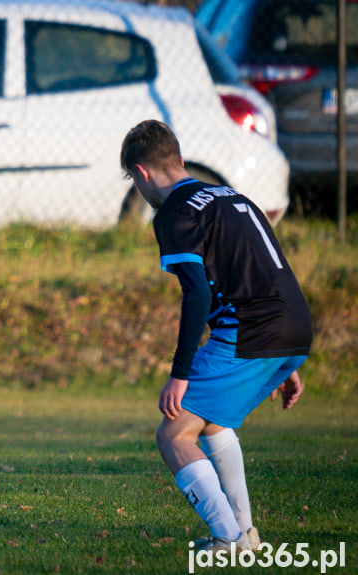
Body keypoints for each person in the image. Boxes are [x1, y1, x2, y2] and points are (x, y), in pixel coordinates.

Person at [119, 120, 312, 552]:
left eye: (134, 180)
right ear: (180, 160)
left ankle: (227, 537)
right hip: (294, 325)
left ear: (142, 173)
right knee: (214, 423)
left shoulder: (174, 211)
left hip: (254, 330)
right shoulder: (231, 196)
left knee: (173, 435)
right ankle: (245, 533)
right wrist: (282, 357)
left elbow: (197, 293)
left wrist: (179, 373)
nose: (139, 190)